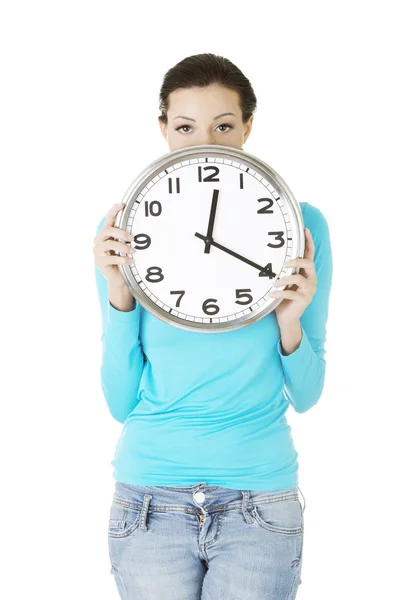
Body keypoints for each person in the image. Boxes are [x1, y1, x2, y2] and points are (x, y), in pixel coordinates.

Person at [93, 53, 333, 599]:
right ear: (163, 129)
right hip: (150, 501)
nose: (206, 142)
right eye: (185, 127)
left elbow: (308, 394)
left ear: (249, 126)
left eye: (223, 126)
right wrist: (118, 294)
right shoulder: (124, 232)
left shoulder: (301, 224)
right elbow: (119, 401)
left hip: (260, 500)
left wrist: (290, 323)